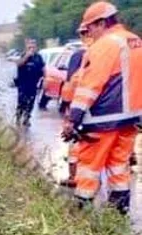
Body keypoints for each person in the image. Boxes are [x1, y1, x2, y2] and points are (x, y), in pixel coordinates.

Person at [63, 2, 142, 214]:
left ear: (101, 23)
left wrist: (74, 118)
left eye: (89, 28)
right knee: (119, 165)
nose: (89, 34)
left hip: (103, 118)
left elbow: (90, 85)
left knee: (88, 166)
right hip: (131, 118)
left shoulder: (105, 45)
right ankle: (119, 210)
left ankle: (81, 211)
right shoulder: (135, 41)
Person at [60, 29, 91, 187]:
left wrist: (68, 115)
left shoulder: (78, 55)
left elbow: (69, 86)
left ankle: (74, 177)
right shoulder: (108, 52)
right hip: (102, 110)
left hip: (79, 107)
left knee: (75, 143)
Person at [14, 38, 46, 127]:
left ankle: (26, 119)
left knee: (31, 102)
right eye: (29, 47)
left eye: (33, 47)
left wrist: (45, 80)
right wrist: (26, 57)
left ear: (36, 47)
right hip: (23, 84)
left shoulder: (38, 57)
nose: (32, 48)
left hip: (33, 84)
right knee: (21, 102)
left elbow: (43, 68)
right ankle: (18, 118)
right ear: (26, 47)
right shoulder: (23, 55)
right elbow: (19, 64)